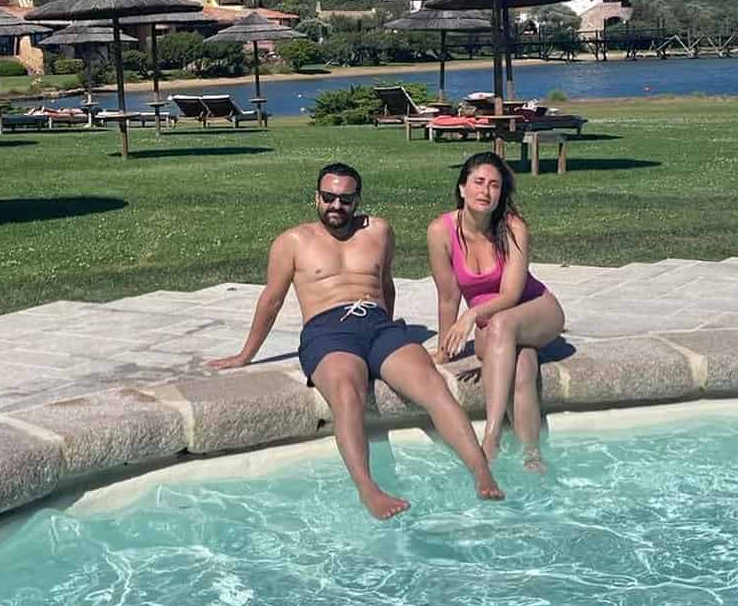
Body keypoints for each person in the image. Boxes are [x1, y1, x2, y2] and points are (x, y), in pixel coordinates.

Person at [209, 162, 503, 518]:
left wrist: (390, 329)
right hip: (327, 331)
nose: (336, 205)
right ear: (316, 198)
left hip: (378, 326)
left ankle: (481, 471)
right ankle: (368, 489)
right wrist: (245, 354)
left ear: (357, 200)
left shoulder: (379, 231)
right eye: (329, 197)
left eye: (345, 199)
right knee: (348, 394)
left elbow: (386, 285)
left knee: (432, 385)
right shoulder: (293, 242)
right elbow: (271, 301)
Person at [427, 151, 565, 469]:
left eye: (494, 185)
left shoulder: (513, 227)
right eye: (478, 182)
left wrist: (471, 315)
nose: (485, 191)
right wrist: (444, 351)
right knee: (523, 364)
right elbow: (448, 296)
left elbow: (512, 294)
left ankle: (491, 436)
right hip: (493, 324)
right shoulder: (441, 231)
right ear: (462, 187)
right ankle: (532, 455)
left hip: (536, 309)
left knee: (502, 324)